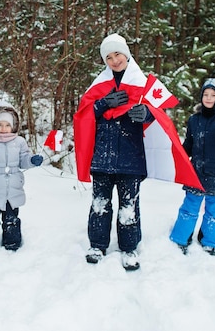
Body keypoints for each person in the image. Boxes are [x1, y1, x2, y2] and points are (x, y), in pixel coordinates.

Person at [73, 33, 155, 271]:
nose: (114, 60)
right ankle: (97, 245)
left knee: (129, 205)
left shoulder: (141, 84)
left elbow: (157, 115)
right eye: (108, 57)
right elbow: (83, 118)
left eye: (117, 54)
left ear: (126, 54)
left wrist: (146, 114)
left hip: (131, 157)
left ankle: (129, 248)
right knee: (100, 203)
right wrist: (103, 103)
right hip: (102, 157)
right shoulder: (98, 87)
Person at [169, 78, 215, 256]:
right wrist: (180, 153)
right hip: (197, 170)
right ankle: (181, 237)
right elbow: (190, 143)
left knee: (214, 209)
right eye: (205, 94)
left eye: (213, 95)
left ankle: (209, 240)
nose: (208, 98)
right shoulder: (195, 119)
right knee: (190, 205)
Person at [0, 102, 43, 253]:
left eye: (7, 125)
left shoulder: (19, 142)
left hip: (13, 189)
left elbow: (23, 159)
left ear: (13, 126)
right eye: (0, 125)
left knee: (11, 219)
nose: (3, 129)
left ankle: (12, 244)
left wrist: (31, 160)